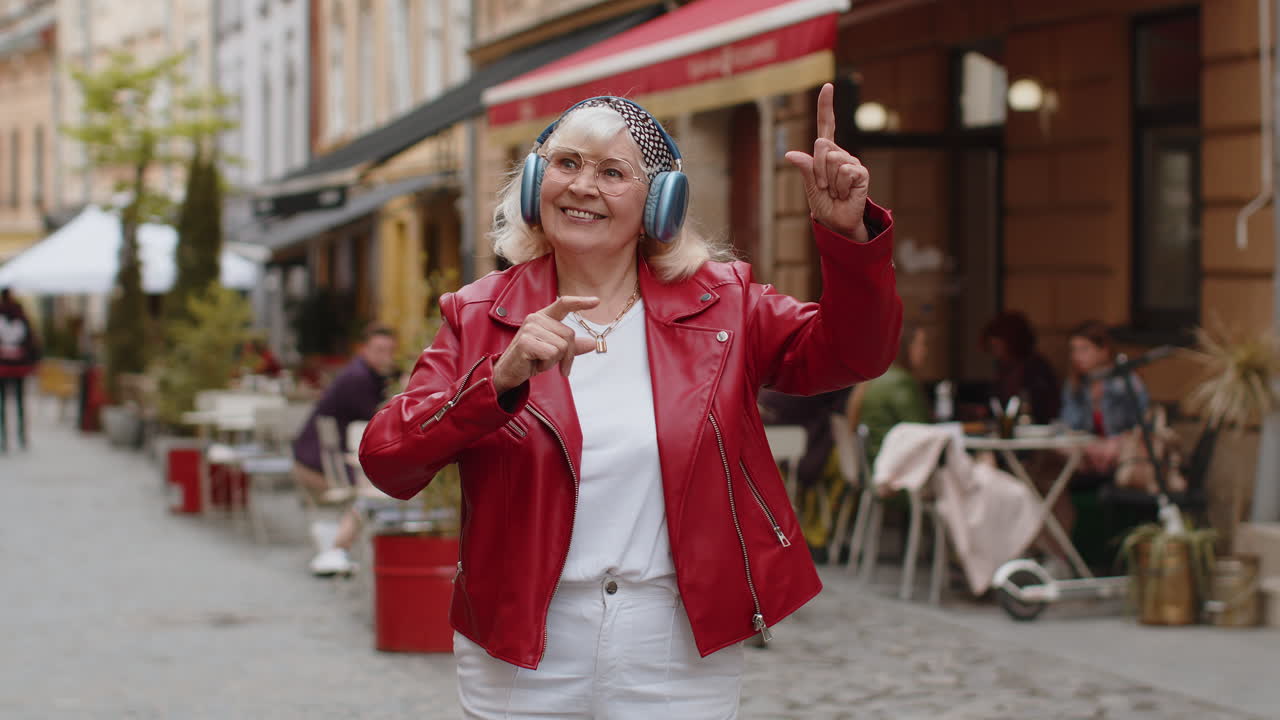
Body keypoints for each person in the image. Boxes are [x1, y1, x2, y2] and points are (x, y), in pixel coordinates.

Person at [359, 87, 901, 717]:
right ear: (537, 181)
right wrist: (496, 381)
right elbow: (386, 460)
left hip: (672, 639)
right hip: (522, 639)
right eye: (566, 164)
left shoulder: (724, 304)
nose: (582, 186)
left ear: (659, 205)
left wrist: (847, 236)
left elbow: (854, 355)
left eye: (612, 172)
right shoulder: (481, 313)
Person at [292, 324, 398, 575]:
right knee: (370, 494)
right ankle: (337, 549)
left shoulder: (362, 374)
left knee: (371, 490)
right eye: (379, 349)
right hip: (318, 465)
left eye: (389, 351)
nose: (385, 356)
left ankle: (336, 545)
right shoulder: (358, 378)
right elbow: (379, 420)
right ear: (364, 350)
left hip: (314, 460)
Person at [1060, 320, 1149, 474]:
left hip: (1122, 448)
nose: (1076, 356)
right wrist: (1090, 446)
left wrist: (1115, 443)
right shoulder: (1075, 384)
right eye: (1073, 350)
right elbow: (1069, 424)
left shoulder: (1126, 381)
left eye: (1084, 349)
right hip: (1089, 449)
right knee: (1062, 448)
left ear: (1103, 350)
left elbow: (1142, 424)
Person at [858, 325, 931, 465]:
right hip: (897, 470)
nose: (925, 351)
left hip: (876, 462)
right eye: (921, 344)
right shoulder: (901, 382)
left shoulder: (876, 378)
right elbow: (925, 434)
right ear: (906, 347)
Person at [980, 310, 1060, 425]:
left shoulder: (1036, 368)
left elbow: (1044, 408)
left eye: (997, 345)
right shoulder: (1003, 368)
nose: (995, 352)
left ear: (1012, 342)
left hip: (1036, 430)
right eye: (992, 347)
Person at [0, 288, 40, 451]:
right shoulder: (21, 316)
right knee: (19, 402)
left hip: (3, 366)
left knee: (3, 404)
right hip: (19, 367)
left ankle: (4, 438)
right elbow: (31, 341)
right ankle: (21, 436)